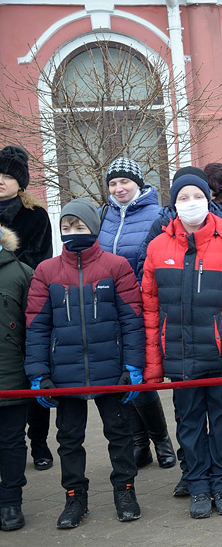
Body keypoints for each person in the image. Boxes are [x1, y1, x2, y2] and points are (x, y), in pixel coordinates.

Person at [142, 174, 222, 518]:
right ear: (174, 204)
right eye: (183, 197)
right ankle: (197, 484)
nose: (190, 202)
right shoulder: (158, 246)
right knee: (189, 423)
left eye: (197, 196)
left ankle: (221, 482)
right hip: (179, 355)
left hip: (221, 353)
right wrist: (154, 362)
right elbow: (149, 306)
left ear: (208, 200)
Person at [25, 199, 144, 529]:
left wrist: (133, 366)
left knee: (120, 434)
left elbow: (132, 320)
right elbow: (37, 325)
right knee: (69, 439)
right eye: (66, 227)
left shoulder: (116, 266)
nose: (73, 232)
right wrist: (38, 373)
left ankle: (125, 491)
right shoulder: (46, 271)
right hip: (64, 372)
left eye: (79, 226)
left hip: (111, 369)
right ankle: (75, 497)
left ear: (93, 227)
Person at [97, 157, 176, 471]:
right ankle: (139, 444)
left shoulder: (156, 215)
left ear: (139, 184)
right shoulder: (102, 216)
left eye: (125, 182)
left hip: (141, 308)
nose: (118, 188)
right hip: (107, 310)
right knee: (119, 378)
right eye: (113, 183)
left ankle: (161, 439)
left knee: (139, 377)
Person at [0, 145, 54, 472]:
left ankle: (39, 442)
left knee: (32, 370)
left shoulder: (35, 215)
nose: (1, 181)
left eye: (7, 176)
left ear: (20, 182)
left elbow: (39, 260)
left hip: (24, 300)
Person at [0, 225, 32, 531]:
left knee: (11, 441)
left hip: (10, 374)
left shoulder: (21, 273)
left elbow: (35, 327)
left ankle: (11, 501)